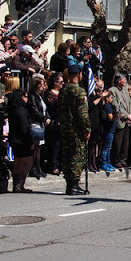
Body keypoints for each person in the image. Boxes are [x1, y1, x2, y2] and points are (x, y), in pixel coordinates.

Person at [58, 65, 91, 195]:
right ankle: (74, 184)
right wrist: (87, 129)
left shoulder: (63, 90)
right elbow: (82, 114)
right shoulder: (79, 91)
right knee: (77, 156)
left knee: (67, 156)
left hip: (65, 128)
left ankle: (69, 184)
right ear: (78, 74)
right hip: (75, 129)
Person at [7, 89, 34, 192]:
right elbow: (24, 128)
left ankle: (16, 185)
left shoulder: (13, 109)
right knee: (27, 162)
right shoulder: (22, 110)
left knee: (17, 162)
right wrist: (30, 142)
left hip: (14, 140)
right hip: (22, 140)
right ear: (22, 97)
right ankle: (20, 184)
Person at [109, 74, 131, 168]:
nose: (125, 81)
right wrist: (126, 116)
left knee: (125, 142)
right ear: (118, 81)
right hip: (120, 119)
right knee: (118, 142)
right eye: (124, 79)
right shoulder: (112, 90)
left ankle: (123, 159)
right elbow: (115, 105)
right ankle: (116, 160)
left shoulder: (125, 90)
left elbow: (130, 103)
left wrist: (130, 115)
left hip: (128, 120)